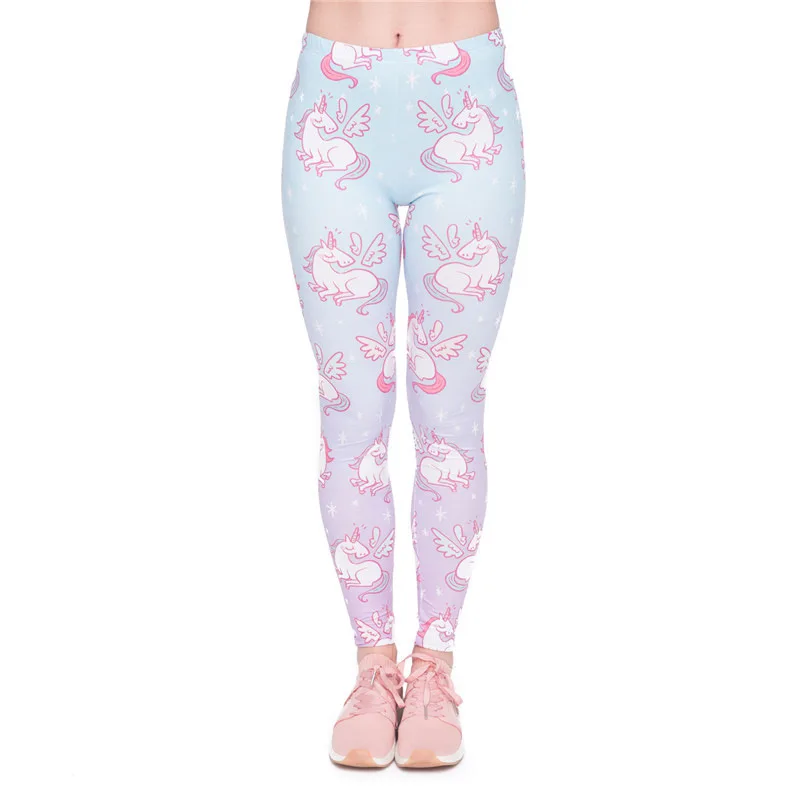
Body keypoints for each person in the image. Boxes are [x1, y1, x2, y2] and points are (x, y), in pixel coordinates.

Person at [281, 0, 524, 768]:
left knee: (450, 414)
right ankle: (372, 666)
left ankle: (435, 667)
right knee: (349, 412)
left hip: (467, 104)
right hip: (335, 103)